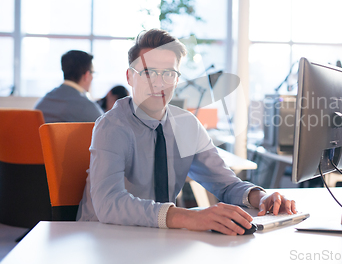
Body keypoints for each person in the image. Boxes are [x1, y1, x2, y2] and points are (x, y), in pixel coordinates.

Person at [77, 29, 297, 235]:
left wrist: (261, 197)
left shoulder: (186, 124)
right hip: (104, 237)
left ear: (177, 79)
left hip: (159, 238)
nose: (158, 83)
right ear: (130, 77)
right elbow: (109, 203)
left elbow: (225, 184)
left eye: (168, 74)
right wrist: (190, 218)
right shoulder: (112, 127)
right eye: (148, 72)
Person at [35, 50, 103, 123]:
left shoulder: (43, 102)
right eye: (92, 73)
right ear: (87, 75)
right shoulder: (86, 107)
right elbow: (106, 128)